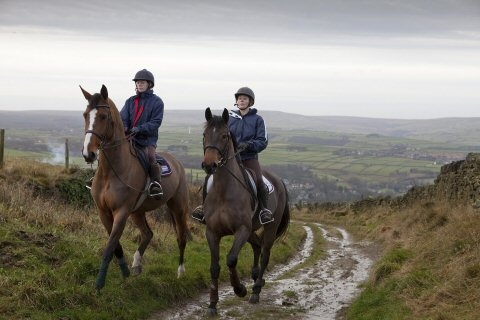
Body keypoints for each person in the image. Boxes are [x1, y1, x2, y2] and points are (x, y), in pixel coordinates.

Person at [192, 86, 274, 224]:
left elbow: (263, 141)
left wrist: (249, 145)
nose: (241, 101)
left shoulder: (258, 120)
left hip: (249, 158)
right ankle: (203, 208)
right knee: (209, 179)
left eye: (245, 99)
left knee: (259, 181)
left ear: (250, 102)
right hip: (230, 158)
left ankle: (264, 210)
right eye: (239, 99)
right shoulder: (229, 118)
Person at [120, 68, 164, 199]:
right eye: (138, 82)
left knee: (151, 156)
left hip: (147, 139)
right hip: (129, 137)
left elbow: (156, 122)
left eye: (142, 82)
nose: (139, 84)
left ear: (149, 84)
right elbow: (123, 117)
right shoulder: (130, 101)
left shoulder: (157, 102)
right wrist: (126, 127)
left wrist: (139, 129)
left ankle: (156, 184)